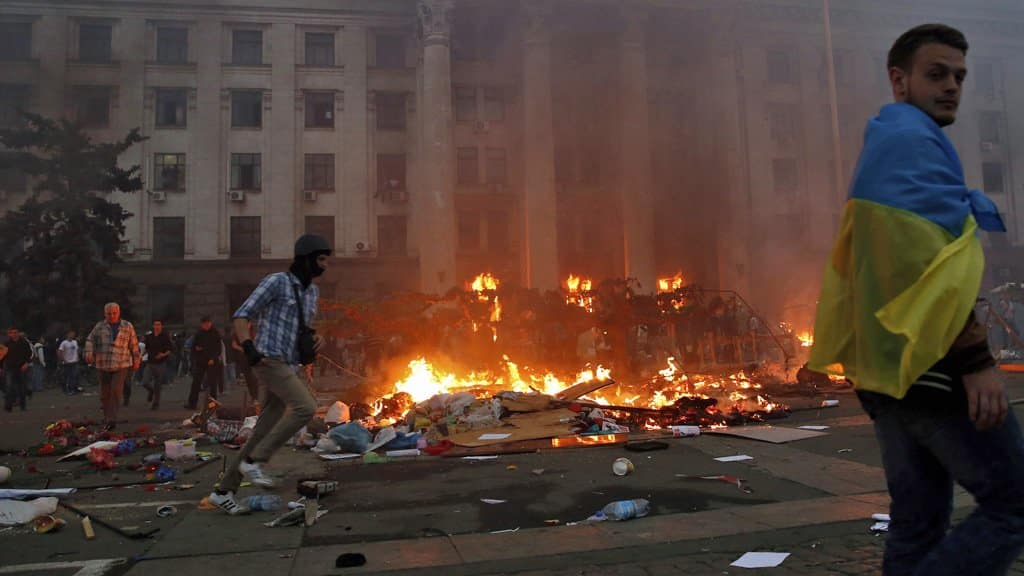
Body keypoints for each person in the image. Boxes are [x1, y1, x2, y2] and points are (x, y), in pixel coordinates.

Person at [808, 24, 1024, 575]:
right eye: (937, 74)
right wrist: (976, 362)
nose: (952, 86)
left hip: (889, 366)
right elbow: (924, 267)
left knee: (919, 519)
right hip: (931, 365)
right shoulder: (910, 140)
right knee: (1014, 504)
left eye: (959, 76)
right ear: (898, 80)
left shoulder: (890, 139)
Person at [208, 234, 329, 514]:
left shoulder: (312, 293)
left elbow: (304, 329)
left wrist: (317, 339)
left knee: (260, 432)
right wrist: (248, 346)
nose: (325, 266)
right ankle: (256, 461)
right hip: (268, 359)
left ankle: (223, 491)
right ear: (306, 258)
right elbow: (242, 315)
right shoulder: (276, 281)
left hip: (289, 364)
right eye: (321, 259)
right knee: (306, 408)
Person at [84, 302, 141, 429]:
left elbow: (134, 345)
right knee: (105, 393)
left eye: (114, 313)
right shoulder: (99, 326)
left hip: (121, 364)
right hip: (103, 363)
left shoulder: (127, 326)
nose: (112, 316)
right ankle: (106, 416)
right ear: (105, 314)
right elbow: (90, 340)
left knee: (116, 390)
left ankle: (111, 419)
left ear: (119, 312)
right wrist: (89, 352)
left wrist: (137, 359)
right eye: (109, 314)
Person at [186, 316, 223, 410]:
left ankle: (212, 404)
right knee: (196, 382)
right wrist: (196, 350)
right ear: (202, 324)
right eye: (204, 324)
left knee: (212, 383)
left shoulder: (215, 333)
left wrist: (213, 358)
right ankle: (192, 403)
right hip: (200, 361)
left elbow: (218, 349)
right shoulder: (198, 333)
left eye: (208, 323)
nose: (206, 325)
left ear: (210, 323)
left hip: (212, 361)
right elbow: (193, 347)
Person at [142, 320, 174, 409]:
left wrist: (163, 355)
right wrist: (140, 355)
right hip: (150, 362)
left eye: (159, 324)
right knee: (145, 382)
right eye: (155, 324)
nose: (157, 326)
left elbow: (169, 349)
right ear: (153, 326)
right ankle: (151, 391)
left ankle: (155, 403)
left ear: (161, 326)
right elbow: (146, 348)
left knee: (158, 384)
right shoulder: (149, 337)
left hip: (160, 363)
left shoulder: (165, 337)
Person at [3, 328, 33, 411]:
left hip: (21, 367)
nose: (14, 334)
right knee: (9, 387)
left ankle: (23, 406)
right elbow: (1, 356)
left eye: (15, 332)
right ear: (9, 334)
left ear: (18, 333)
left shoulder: (24, 343)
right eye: (11, 333)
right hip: (10, 368)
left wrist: (27, 363)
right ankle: (8, 406)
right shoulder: (6, 344)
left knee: (22, 388)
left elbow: (30, 354)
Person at [58, 330, 81, 395]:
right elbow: (60, 351)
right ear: (68, 334)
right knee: (66, 376)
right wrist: (63, 360)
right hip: (67, 362)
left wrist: (77, 357)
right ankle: (66, 389)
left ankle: (73, 389)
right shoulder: (64, 343)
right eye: (71, 334)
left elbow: (77, 350)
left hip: (74, 362)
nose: (72, 335)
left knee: (74, 376)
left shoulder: (75, 342)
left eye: (73, 334)